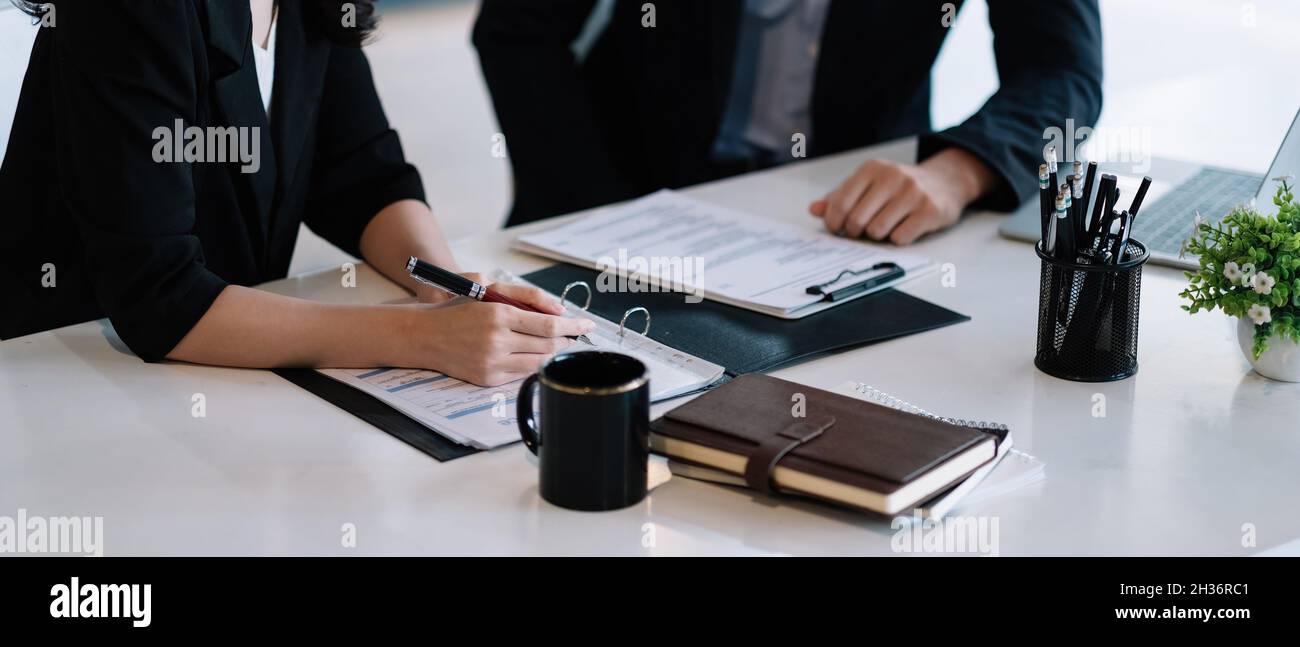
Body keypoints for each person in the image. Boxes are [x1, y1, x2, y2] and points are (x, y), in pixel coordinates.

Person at [0, 0, 591, 387]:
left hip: (213, 377)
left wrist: (448, 288)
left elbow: (364, 176)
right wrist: (423, 338)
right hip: (68, 378)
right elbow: (161, 296)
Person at [474, 0, 1103, 244]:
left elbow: (1065, 70)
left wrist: (959, 172)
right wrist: (599, 211)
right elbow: (516, 29)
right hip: (626, 187)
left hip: (848, 215)